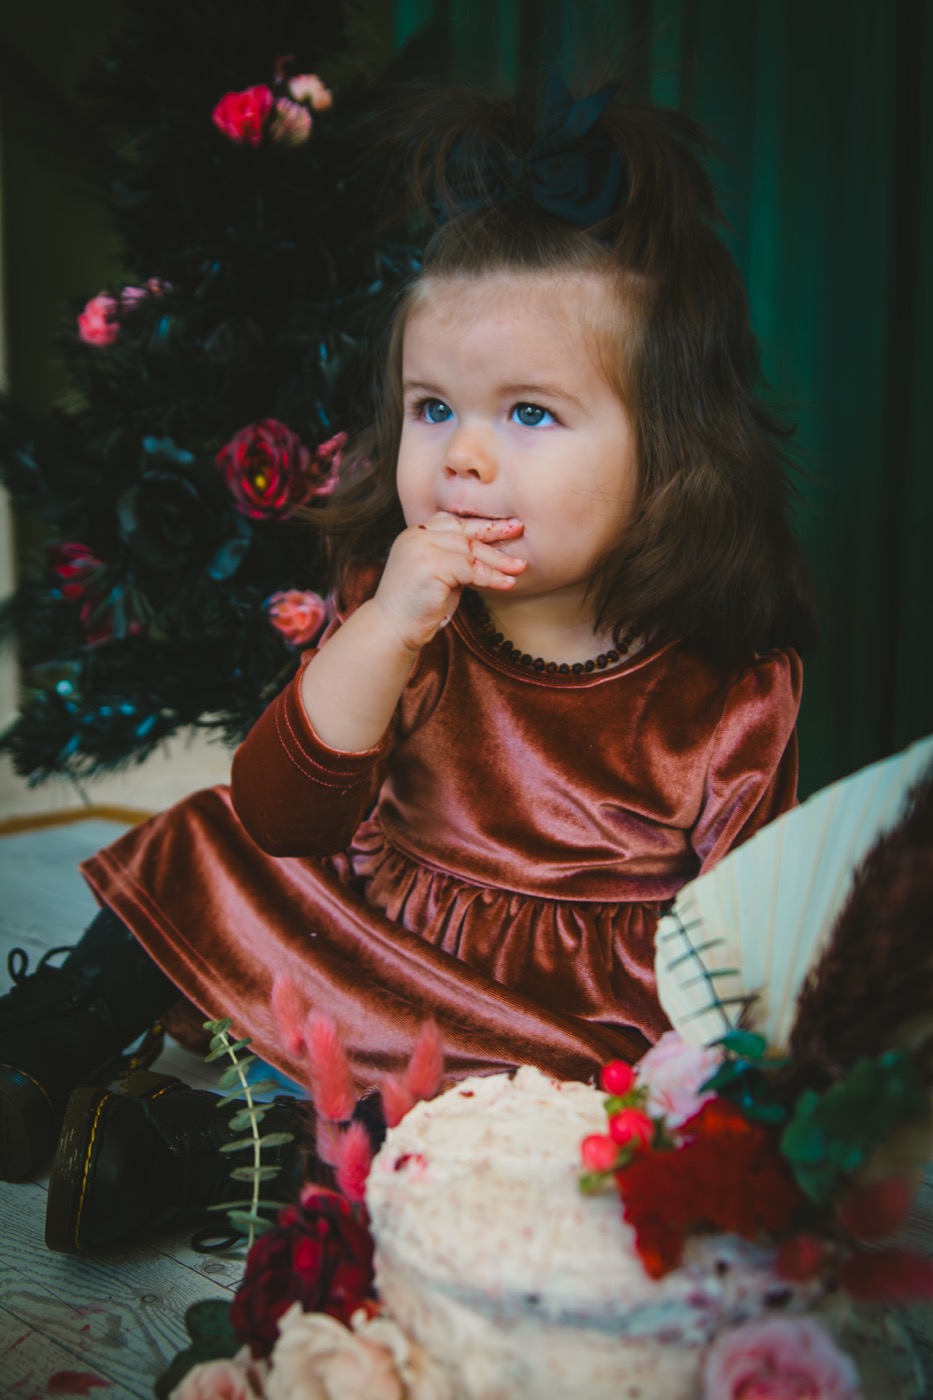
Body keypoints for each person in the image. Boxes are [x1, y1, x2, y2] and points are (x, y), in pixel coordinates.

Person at [0, 78, 815, 1252]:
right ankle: (47, 1047)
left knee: (537, 1149)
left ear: (670, 454)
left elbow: (747, 961)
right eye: (435, 407)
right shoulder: (413, 609)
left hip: (540, 1045)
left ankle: (203, 1149)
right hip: (361, 947)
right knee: (206, 840)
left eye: (529, 414)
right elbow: (282, 815)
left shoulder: (728, 691)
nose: (464, 455)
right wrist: (382, 630)